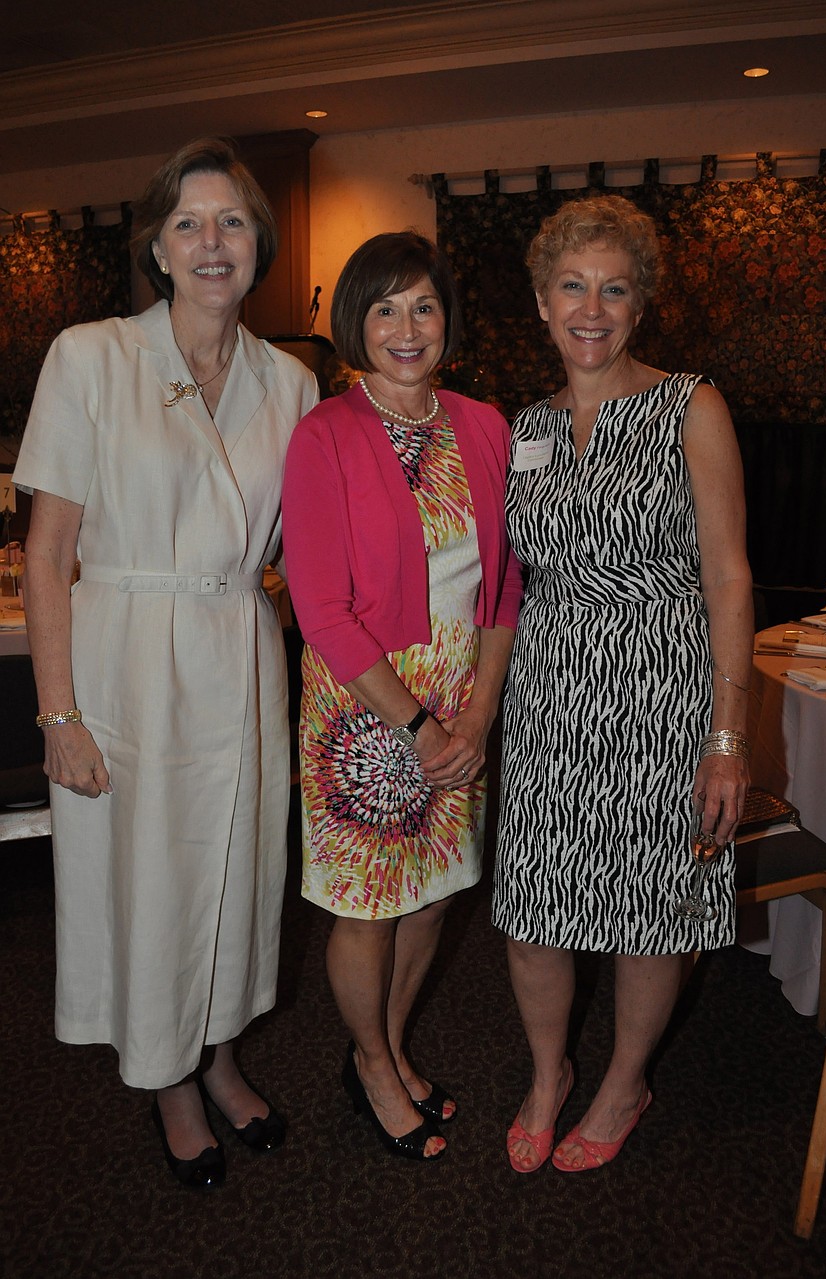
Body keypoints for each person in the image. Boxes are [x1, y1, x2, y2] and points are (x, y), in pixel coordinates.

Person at [13, 137, 319, 1189]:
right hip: (127, 659)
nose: (211, 241)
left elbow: (307, 550)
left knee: (238, 872)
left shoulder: (292, 379)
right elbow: (48, 553)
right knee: (150, 880)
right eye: (187, 223)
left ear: (258, 244)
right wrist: (59, 714)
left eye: (231, 221)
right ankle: (168, 1078)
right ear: (155, 246)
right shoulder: (91, 355)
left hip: (237, 649)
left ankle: (224, 1053)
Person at [493, 193, 752, 1173]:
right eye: (571, 286)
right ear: (540, 302)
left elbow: (729, 574)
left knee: (650, 911)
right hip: (550, 696)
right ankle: (549, 1070)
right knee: (533, 905)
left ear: (638, 306)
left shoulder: (693, 403)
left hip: (663, 691)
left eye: (612, 288)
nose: (589, 308)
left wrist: (726, 738)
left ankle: (623, 1080)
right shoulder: (525, 427)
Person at [281, 231, 523, 1161]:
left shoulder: (484, 424)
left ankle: (382, 1041)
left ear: (447, 318)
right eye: (384, 307)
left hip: (463, 695)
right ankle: (375, 1064)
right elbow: (324, 611)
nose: (406, 326)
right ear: (356, 322)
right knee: (368, 904)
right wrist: (416, 723)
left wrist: (477, 711)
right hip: (365, 706)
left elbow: (504, 581)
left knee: (433, 896)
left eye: (422, 304)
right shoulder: (324, 436)